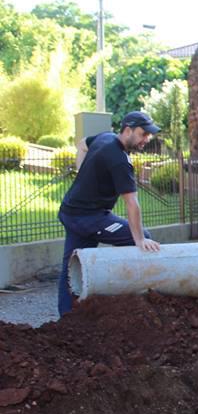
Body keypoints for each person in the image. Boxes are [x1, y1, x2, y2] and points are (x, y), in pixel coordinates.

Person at [56, 111, 163, 317]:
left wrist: (82, 174)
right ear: (128, 130)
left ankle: (66, 318)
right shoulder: (120, 160)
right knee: (143, 240)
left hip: (71, 212)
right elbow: (132, 204)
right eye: (143, 134)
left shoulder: (105, 137)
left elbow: (82, 144)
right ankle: (126, 303)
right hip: (89, 218)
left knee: (71, 268)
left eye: (148, 135)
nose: (146, 139)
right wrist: (139, 239)